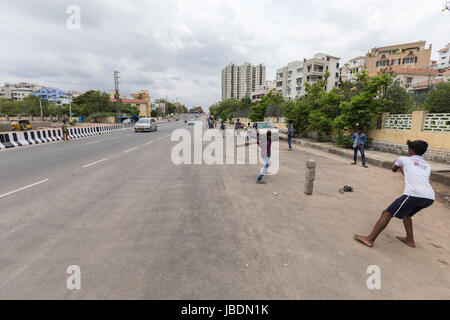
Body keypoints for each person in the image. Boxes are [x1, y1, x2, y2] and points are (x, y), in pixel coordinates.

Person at [355, 140, 435, 248]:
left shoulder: (403, 159)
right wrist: (402, 167)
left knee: (386, 214)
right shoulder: (427, 166)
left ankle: (369, 239)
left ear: (411, 150)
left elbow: (394, 169)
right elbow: (411, 176)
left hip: (413, 194)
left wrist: (397, 165)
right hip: (429, 197)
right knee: (406, 215)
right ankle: (410, 240)